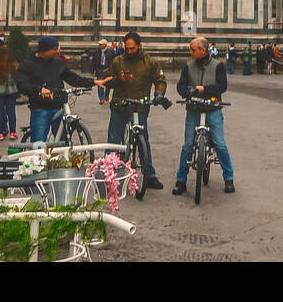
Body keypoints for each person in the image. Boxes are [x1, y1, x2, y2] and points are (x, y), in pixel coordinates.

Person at [96, 31, 169, 191]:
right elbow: (107, 81)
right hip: (119, 105)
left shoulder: (150, 62)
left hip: (140, 106)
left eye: (132, 48)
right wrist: (118, 79)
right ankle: (109, 175)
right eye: (127, 48)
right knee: (113, 141)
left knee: (144, 140)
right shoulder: (117, 61)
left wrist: (159, 94)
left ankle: (149, 175)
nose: (129, 51)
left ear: (139, 46)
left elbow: (160, 81)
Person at [173, 36, 235, 195]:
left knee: (220, 144)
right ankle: (181, 181)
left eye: (193, 50)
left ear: (203, 50)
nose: (190, 52)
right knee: (187, 145)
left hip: (212, 109)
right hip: (193, 109)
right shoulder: (188, 66)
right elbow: (181, 85)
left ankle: (229, 178)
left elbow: (222, 86)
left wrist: (203, 89)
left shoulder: (218, 66)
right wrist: (186, 92)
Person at [13, 36, 97, 143]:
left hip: (58, 106)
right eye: (55, 48)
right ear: (45, 50)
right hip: (40, 108)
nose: (58, 51)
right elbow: (22, 84)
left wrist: (92, 82)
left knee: (63, 140)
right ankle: (37, 158)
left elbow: (71, 77)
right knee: (39, 144)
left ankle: (61, 158)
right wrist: (39, 90)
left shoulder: (58, 62)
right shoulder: (28, 64)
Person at [0, 37, 20, 141]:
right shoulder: (13, 63)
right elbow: (17, 76)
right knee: (11, 112)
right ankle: (13, 133)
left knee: (0, 112)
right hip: (12, 91)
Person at [92, 39, 113, 104]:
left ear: (105, 45)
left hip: (108, 69)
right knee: (100, 84)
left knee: (108, 85)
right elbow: (93, 61)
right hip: (99, 69)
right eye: (99, 44)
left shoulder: (111, 51)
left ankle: (106, 96)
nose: (99, 45)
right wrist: (93, 71)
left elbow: (114, 61)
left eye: (101, 44)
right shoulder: (96, 52)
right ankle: (102, 98)